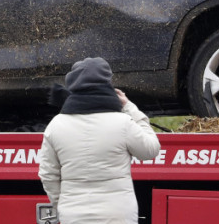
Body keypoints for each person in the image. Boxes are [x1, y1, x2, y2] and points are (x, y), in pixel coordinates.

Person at [38, 57, 161, 224]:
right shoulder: (122, 122)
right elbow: (150, 150)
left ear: (73, 85)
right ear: (107, 84)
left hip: (73, 214)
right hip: (118, 214)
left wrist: (62, 204)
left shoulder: (56, 125)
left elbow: (47, 174)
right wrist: (129, 107)